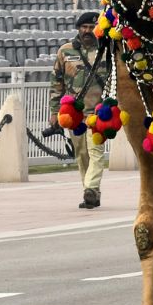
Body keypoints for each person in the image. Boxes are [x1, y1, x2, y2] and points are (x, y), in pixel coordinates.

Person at [47, 12, 111, 209]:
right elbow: (56, 82)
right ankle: (91, 192)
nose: (88, 31)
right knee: (81, 154)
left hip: (98, 112)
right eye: (84, 27)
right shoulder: (65, 51)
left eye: (92, 28)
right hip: (74, 114)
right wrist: (54, 111)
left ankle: (91, 187)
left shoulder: (106, 50)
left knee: (96, 152)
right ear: (78, 29)